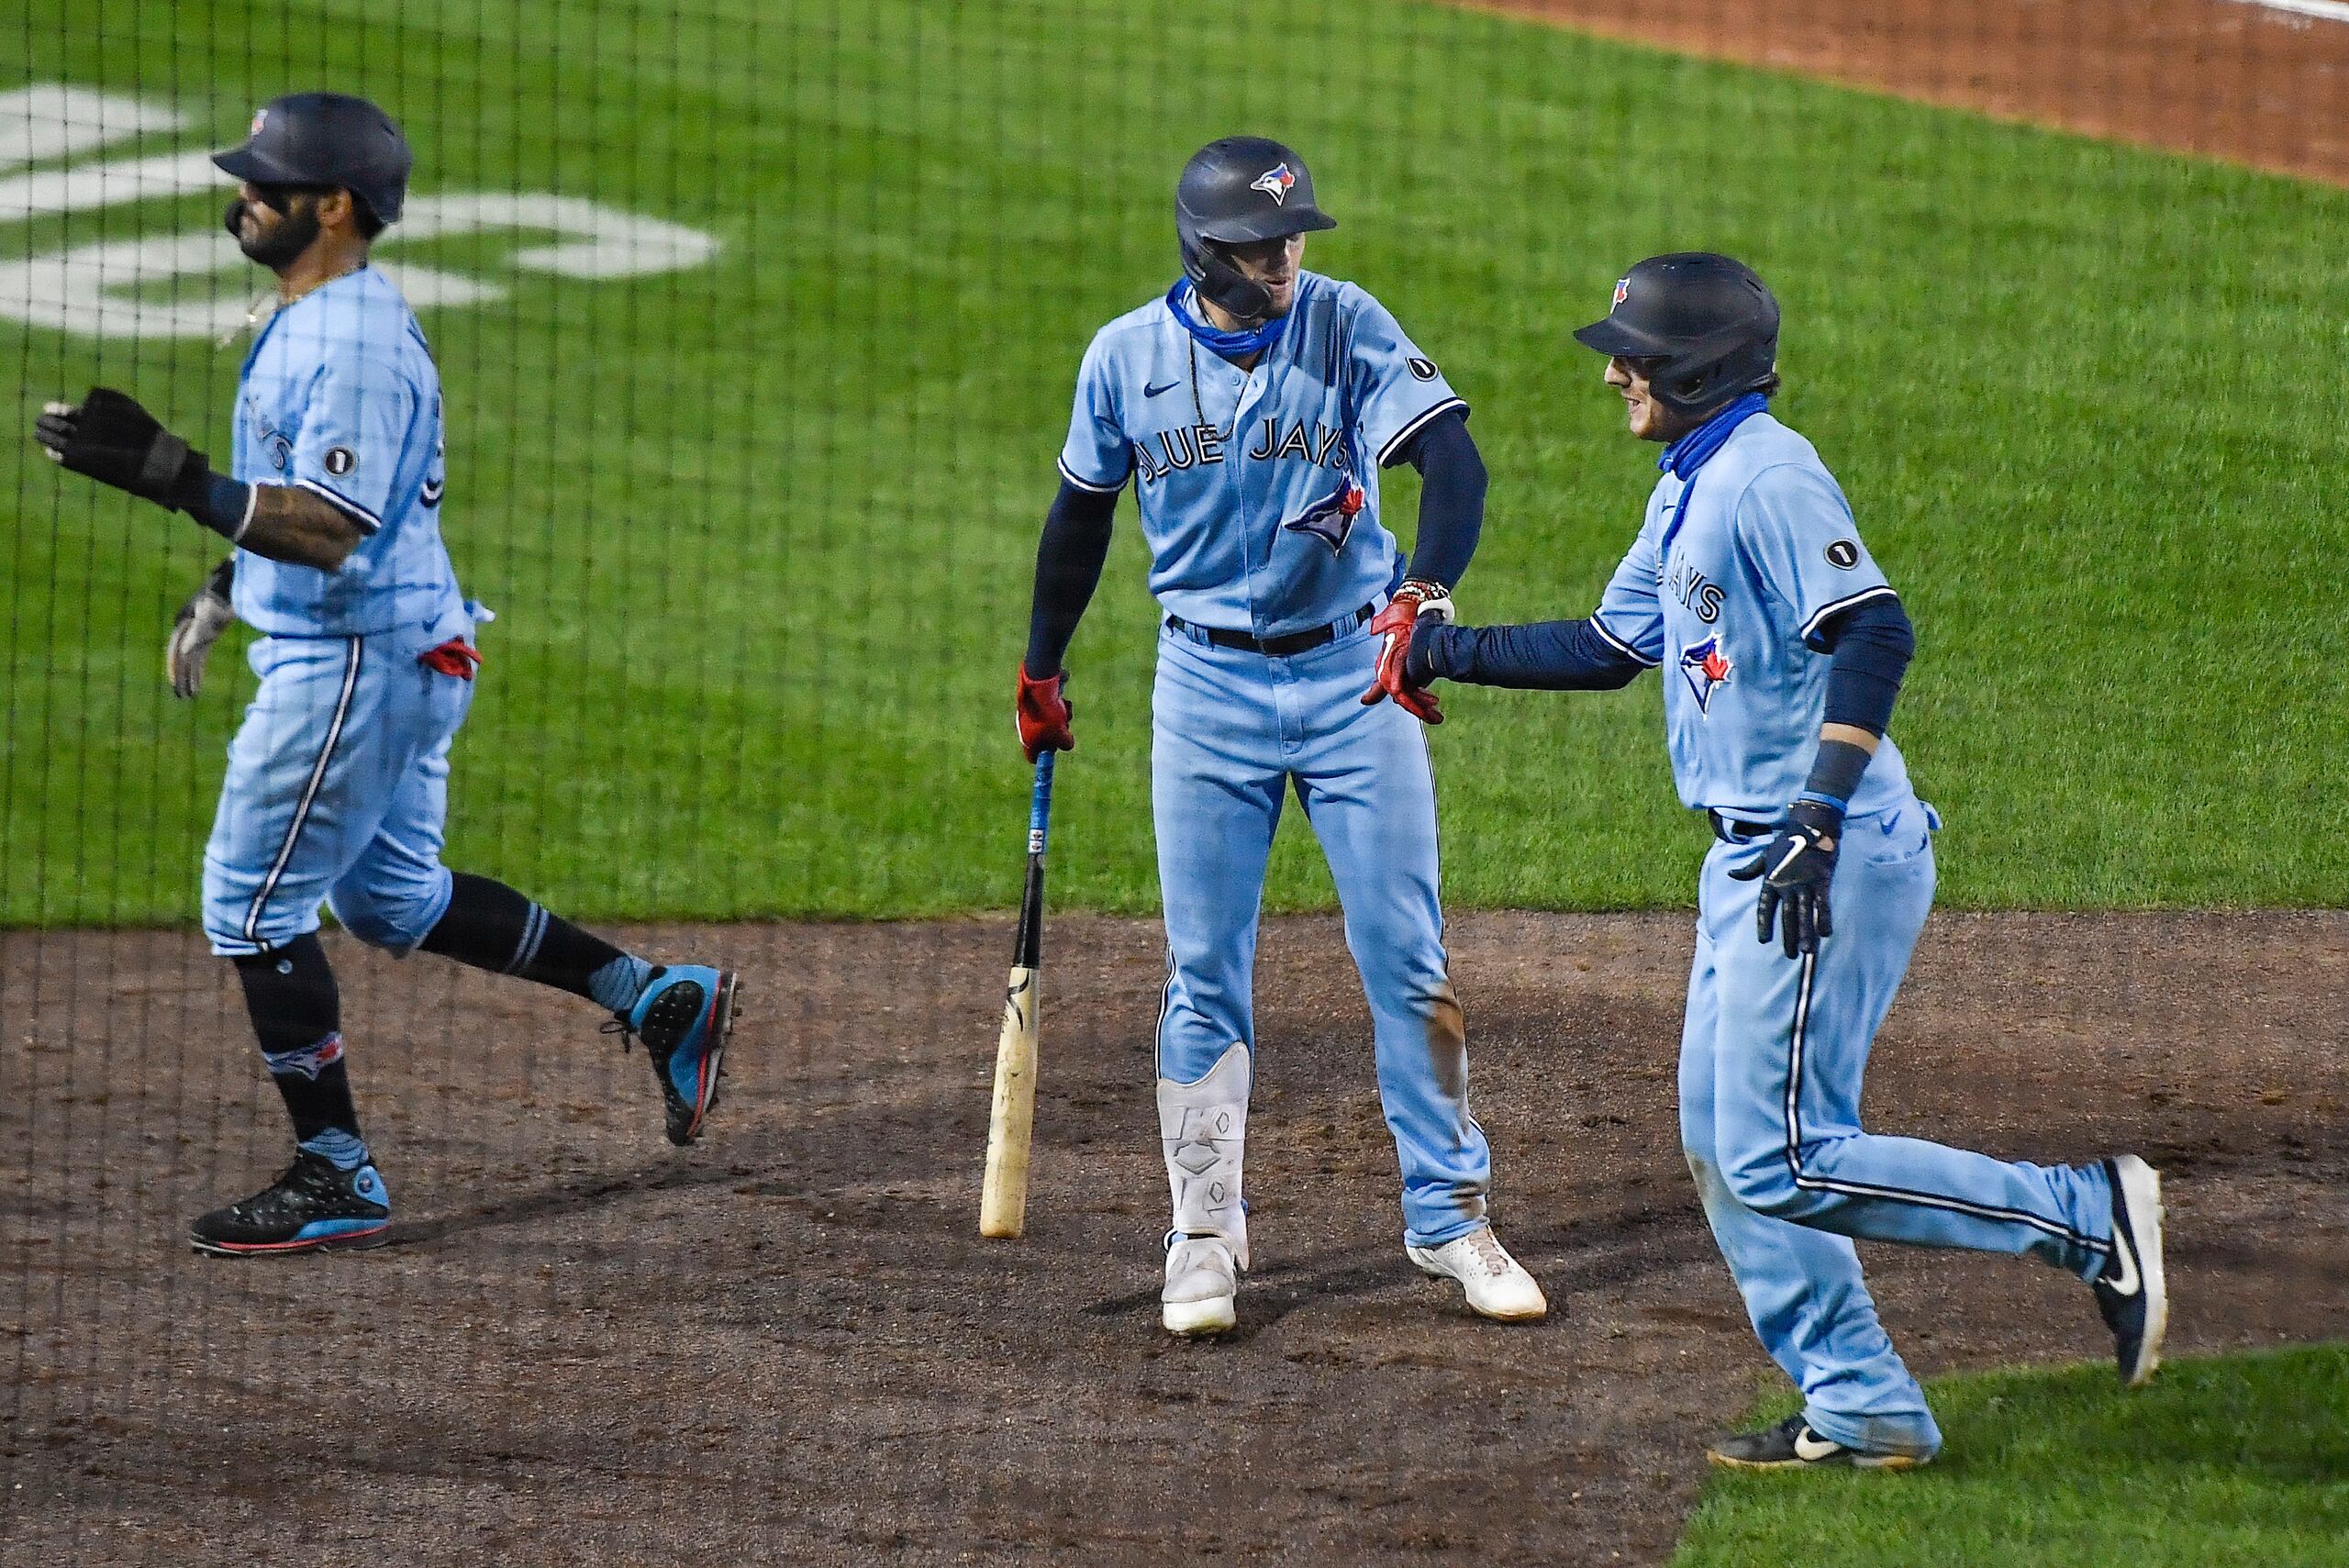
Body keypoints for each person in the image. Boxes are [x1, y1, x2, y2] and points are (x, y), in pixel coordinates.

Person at [1406, 252, 2165, 1466]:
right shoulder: (1687, 482)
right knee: (1723, 1141)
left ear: (1699, 368)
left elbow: (1877, 628)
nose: (1613, 372)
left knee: (1787, 1148)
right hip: (1755, 858)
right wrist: (1442, 652)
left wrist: (1815, 813)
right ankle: (1860, 1402)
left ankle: (2084, 1216)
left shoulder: (1768, 475)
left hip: (1828, 851)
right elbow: (1612, 645)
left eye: (1635, 354)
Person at [32, 93, 739, 1257]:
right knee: (391, 900)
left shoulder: (347, 339)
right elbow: (302, 491)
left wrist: (172, 475)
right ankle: (658, 996)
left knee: (249, 905)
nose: (243, 193)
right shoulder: (318, 312)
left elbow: (329, 523)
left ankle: (336, 1170)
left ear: (336, 206)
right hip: (395, 641)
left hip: (355, 661)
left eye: (269, 179)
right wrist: (227, 581)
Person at [1019, 136, 1545, 1335]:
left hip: (1352, 677)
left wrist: (1429, 588)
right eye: (1264, 244)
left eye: (1294, 234)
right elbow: (1077, 522)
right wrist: (1041, 665)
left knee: (1409, 957)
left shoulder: (1349, 323)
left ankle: (1449, 1216)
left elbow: (1451, 463)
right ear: (1207, 252)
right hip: (1203, 689)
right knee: (1204, 971)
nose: (1287, 257)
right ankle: (1203, 1230)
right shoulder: (1125, 358)